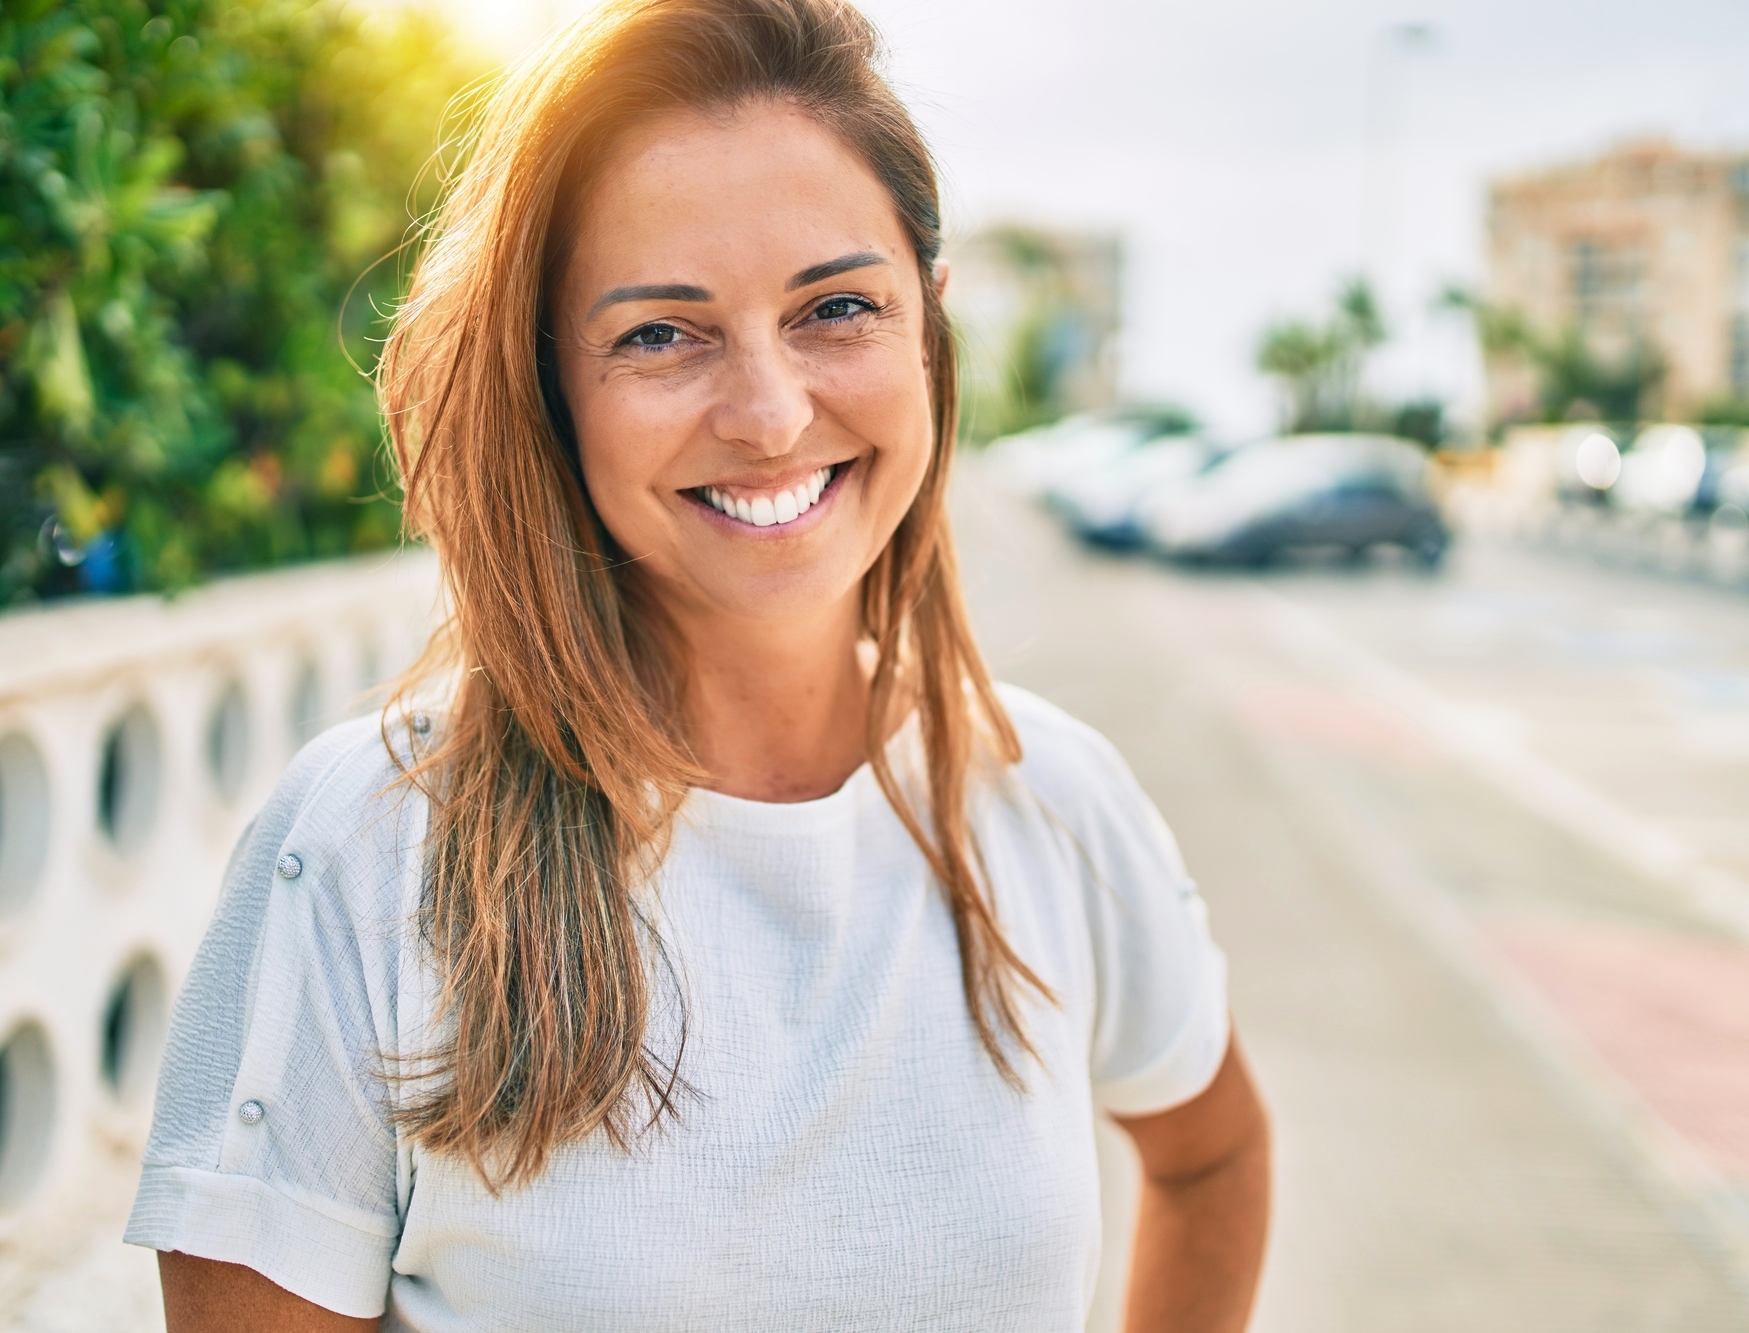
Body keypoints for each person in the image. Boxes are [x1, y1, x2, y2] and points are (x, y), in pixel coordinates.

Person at [125, 0, 1271, 1328]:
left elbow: (1216, 1153)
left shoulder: (1055, 801)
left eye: (836, 306)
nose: (772, 413)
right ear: (551, 380)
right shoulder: (367, 847)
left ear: (928, 329)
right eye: (661, 333)